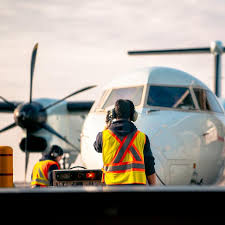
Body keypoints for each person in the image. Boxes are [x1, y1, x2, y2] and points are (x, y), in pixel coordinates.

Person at [94, 99, 156, 185]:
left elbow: (97, 147)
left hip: (112, 187)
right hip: (136, 188)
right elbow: (149, 166)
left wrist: (107, 125)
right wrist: (154, 187)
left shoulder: (103, 136)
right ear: (133, 115)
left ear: (114, 114)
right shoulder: (142, 138)